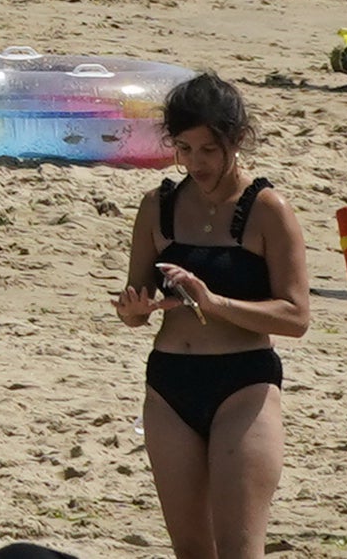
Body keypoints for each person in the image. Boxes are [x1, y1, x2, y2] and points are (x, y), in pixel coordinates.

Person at [113, 72, 301, 559]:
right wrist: (135, 310)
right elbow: (136, 306)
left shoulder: (267, 209)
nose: (196, 164)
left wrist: (214, 302)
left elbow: (296, 316)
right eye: (184, 149)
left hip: (244, 384)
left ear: (236, 140)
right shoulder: (158, 206)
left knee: (240, 551)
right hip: (170, 383)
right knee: (192, 552)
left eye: (209, 151)